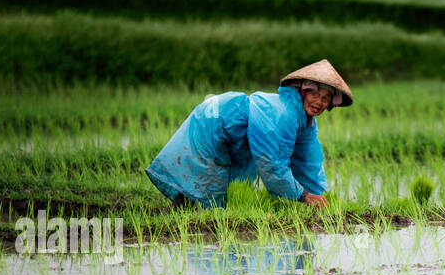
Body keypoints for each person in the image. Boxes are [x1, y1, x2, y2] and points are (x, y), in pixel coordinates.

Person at [145, 59, 353, 210]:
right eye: (314, 93)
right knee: (207, 194)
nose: (319, 102)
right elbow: (273, 165)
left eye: (326, 98)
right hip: (216, 123)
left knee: (220, 197)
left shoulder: (305, 122)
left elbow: (308, 162)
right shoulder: (283, 114)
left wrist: (321, 197)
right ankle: (185, 216)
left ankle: (186, 212)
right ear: (302, 91)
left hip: (223, 121)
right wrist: (303, 196)